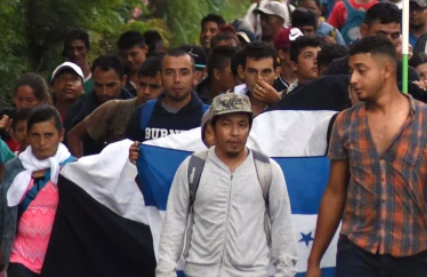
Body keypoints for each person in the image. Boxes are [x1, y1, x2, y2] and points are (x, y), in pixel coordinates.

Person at [307, 36, 427, 277]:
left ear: (387, 70)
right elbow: (335, 192)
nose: (353, 79)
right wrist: (314, 259)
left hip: (411, 252)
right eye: (351, 71)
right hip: (356, 250)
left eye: (361, 70)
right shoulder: (345, 123)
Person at [154, 93, 297, 277]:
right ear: (212, 127)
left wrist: (285, 273)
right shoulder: (192, 167)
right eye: (226, 124)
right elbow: (174, 223)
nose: (235, 132)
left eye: (242, 125)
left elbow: (282, 227)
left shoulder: (267, 170)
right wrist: (165, 272)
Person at [0, 106, 76, 277]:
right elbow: (3, 211)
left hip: (61, 259)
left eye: (48, 135)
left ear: (61, 135)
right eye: (35, 135)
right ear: (27, 135)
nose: (42, 143)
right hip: (19, 257)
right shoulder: (14, 167)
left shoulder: (74, 169)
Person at [67, 56, 163, 157]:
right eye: (142, 85)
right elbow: (74, 135)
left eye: (154, 87)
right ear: (136, 82)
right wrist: (80, 164)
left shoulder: (172, 117)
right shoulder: (114, 108)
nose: (146, 92)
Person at [125, 49, 208, 144]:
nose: (177, 79)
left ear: (195, 77)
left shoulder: (208, 117)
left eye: (184, 73)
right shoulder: (142, 114)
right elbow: (127, 149)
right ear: (160, 77)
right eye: (169, 73)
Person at [62, 55, 133, 155]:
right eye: (98, 85)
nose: (104, 92)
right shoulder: (77, 112)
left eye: (110, 85)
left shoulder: (136, 108)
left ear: (123, 80)